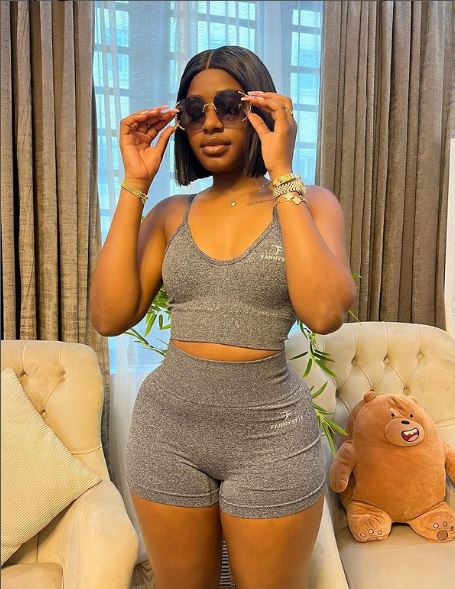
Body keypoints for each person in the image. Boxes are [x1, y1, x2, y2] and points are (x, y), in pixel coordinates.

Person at [90, 45, 356, 589]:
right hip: (167, 433)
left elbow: (325, 312)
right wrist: (135, 183)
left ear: (262, 109)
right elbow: (108, 315)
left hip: (273, 438)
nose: (210, 122)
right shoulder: (172, 214)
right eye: (193, 110)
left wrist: (282, 171)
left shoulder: (312, 204)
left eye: (229, 105)